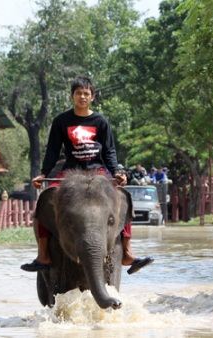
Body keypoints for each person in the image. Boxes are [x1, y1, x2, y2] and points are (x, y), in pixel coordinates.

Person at [21, 76, 153, 274]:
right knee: (47, 200)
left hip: (97, 170)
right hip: (71, 171)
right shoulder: (61, 121)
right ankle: (43, 254)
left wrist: (117, 171)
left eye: (86, 93)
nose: (82, 97)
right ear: (72, 96)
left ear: (92, 97)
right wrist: (43, 174)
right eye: (78, 93)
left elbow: (109, 151)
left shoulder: (100, 121)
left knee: (121, 199)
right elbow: (53, 151)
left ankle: (127, 252)